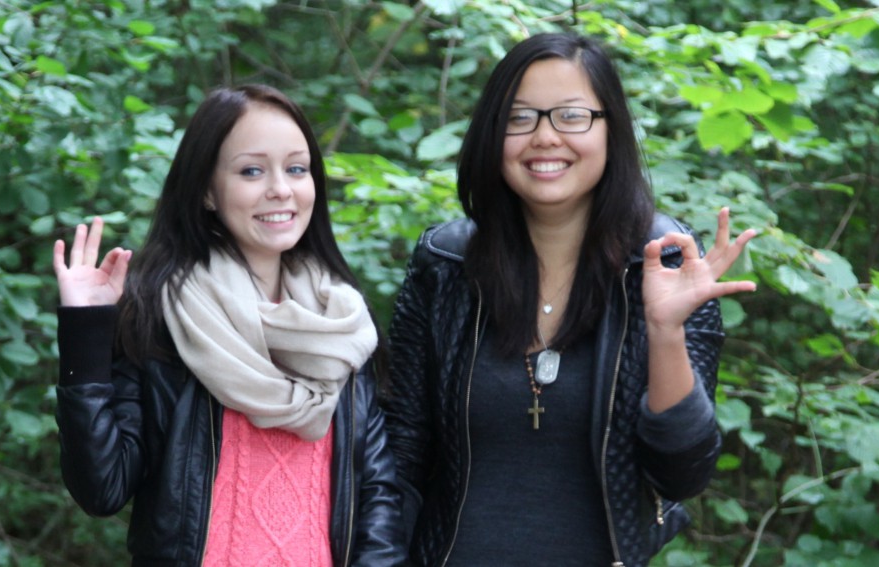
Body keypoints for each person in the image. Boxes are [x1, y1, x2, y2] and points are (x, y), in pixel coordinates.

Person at [382, 32, 757, 567]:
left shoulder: (666, 263)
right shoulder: (444, 266)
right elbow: (400, 455)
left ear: (611, 129)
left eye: (572, 116)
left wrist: (665, 332)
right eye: (519, 118)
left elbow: (683, 475)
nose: (544, 137)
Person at [52, 84, 407, 566]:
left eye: (296, 169)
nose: (281, 188)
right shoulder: (164, 319)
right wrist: (86, 330)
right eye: (251, 171)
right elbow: (102, 489)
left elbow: (376, 497)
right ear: (206, 190)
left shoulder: (342, 326)